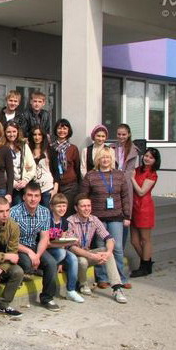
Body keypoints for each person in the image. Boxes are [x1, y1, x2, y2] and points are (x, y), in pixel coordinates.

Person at [79, 146, 131, 288]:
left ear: (112, 159)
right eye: (102, 157)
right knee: (101, 247)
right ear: (98, 159)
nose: (105, 160)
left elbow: (125, 196)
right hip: (97, 217)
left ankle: (121, 278)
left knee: (117, 247)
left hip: (116, 216)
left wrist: (127, 215)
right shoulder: (91, 176)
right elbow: (83, 196)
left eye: (108, 157)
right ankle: (102, 277)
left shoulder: (119, 175)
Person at [66, 194, 128, 304]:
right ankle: (83, 284)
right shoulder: (70, 221)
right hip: (74, 257)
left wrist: (108, 252)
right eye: (83, 206)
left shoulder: (94, 219)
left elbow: (109, 238)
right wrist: (92, 256)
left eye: (88, 206)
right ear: (76, 208)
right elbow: (72, 247)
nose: (87, 209)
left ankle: (117, 288)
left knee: (107, 252)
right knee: (82, 261)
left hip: (87, 252)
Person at [9, 182, 61, 312]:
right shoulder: (14, 212)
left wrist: (37, 255)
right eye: (30, 195)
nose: (33, 199)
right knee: (27, 263)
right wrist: (29, 253)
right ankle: (26, 271)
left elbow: (44, 238)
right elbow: (10, 241)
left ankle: (47, 298)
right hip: (17, 247)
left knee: (51, 263)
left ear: (40, 197)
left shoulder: (44, 212)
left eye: (36, 196)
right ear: (24, 197)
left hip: (34, 245)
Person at [130, 148, 161, 277]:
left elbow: (141, 192)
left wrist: (132, 179)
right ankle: (147, 263)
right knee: (134, 240)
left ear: (155, 161)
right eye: (146, 156)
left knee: (145, 239)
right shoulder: (137, 169)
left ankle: (144, 266)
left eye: (151, 157)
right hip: (133, 207)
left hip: (144, 208)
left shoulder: (152, 174)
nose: (147, 158)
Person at [46, 194, 83, 303]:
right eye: (59, 206)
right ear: (52, 207)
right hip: (46, 250)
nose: (62, 209)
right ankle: (45, 269)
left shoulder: (65, 222)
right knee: (62, 252)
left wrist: (70, 242)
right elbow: (45, 243)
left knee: (73, 258)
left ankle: (71, 290)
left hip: (58, 249)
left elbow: (62, 241)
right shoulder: (47, 220)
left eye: (64, 206)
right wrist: (59, 248)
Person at [112, 123, 140, 257]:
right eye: (119, 134)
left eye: (124, 134)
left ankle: (120, 251)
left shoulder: (134, 150)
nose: (121, 137)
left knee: (125, 216)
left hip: (126, 183)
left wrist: (122, 177)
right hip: (113, 182)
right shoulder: (112, 147)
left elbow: (131, 170)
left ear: (128, 134)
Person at [49, 118, 81, 217]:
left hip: (70, 186)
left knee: (67, 213)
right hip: (53, 185)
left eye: (65, 128)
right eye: (59, 128)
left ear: (68, 130)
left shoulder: (73, 148)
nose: (62, 131)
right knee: (54, 213)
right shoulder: (50, 147)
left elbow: (77, 168)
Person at [4, 121, 36, 206]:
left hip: (23, 185)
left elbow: (32, 166)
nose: (11, 134)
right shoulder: (2, 147)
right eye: (8, 132)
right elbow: (1, 169)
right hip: (7, 185)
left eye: (14, 131)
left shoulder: (24, 146)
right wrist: (12, 182)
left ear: (18, 132)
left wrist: (25, 180)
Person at [28, 125, 57, 207]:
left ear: (43, 136)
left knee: (47, 212)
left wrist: (55, 189)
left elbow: (56, 171)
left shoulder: (50, 150)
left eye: (39, 134)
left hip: (47, 188)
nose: (37, 137)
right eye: (35, 134)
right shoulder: (27, 150)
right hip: (32, 189)